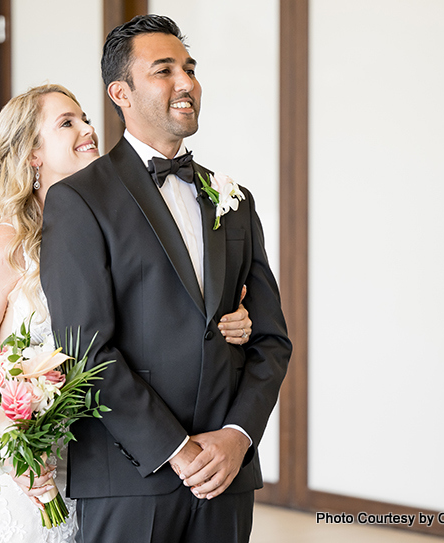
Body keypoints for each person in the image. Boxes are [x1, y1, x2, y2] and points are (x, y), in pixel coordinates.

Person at [0, 83, 254, 543]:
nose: (89, 129)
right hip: (34, 469)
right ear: (32, 154)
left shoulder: (113, 227)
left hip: (109, 453)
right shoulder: (4, 248)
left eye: (86, 118)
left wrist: (236, 316)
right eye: (66, 123)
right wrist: (16, 454)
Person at [40, 15, 291, 543]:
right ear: (121, 92)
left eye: (190, 68)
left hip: (225, 477)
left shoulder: (233, 199)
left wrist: (238, 436)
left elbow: (271, 340)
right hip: (130, 476)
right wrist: (176, 449)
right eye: (164, 70)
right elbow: (86, 350)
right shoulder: (80, 201)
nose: (186, 83)